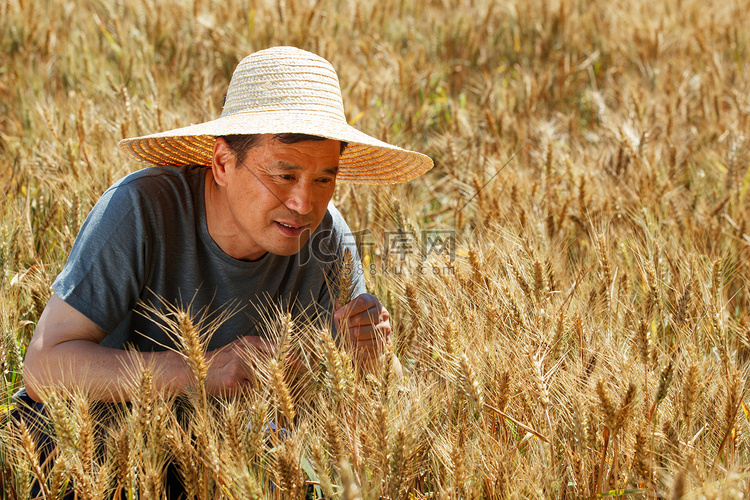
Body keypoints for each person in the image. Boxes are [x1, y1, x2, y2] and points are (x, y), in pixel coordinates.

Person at [20, 46, 432, 404]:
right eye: (283, 176)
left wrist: (372, 357)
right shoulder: (139, 210)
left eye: (324, 179)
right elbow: (42, 368)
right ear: (222, 163)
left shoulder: (327, 236)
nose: (304, 203)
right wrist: (198, 372)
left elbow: (385, 398)